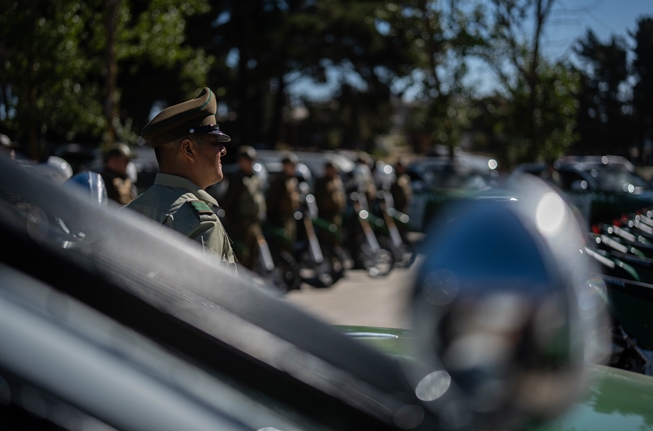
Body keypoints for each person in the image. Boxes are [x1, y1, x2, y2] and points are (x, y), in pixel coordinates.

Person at [126, 87, 237, 269]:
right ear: (188, 149)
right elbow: (203, 296)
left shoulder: (128, 211)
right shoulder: (202, 224)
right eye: (215, 141)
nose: (222, 150)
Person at [221, 145, 266, 271]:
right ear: (241, 161)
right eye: (248, 160)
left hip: (254, 223)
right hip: (241, 225)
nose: (251, 163)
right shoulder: (237, 179)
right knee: (241, 257)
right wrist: (233, 222)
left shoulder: (254, 178)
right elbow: (228, 202)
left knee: (254, 255)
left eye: (252, 160)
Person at [266, 151, 300, 252]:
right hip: (279, 218)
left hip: (290, 216)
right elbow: (272, 201)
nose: (294, 168)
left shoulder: (292, 180)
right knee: (281, 245)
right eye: (291, 165)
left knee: (290, 242)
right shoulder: (278, 181)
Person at [314, 160, 346, 247]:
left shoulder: (337, 180)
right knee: (325, 236)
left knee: (336, 235)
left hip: (336, 213)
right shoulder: (321, 181)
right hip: (325, 214)